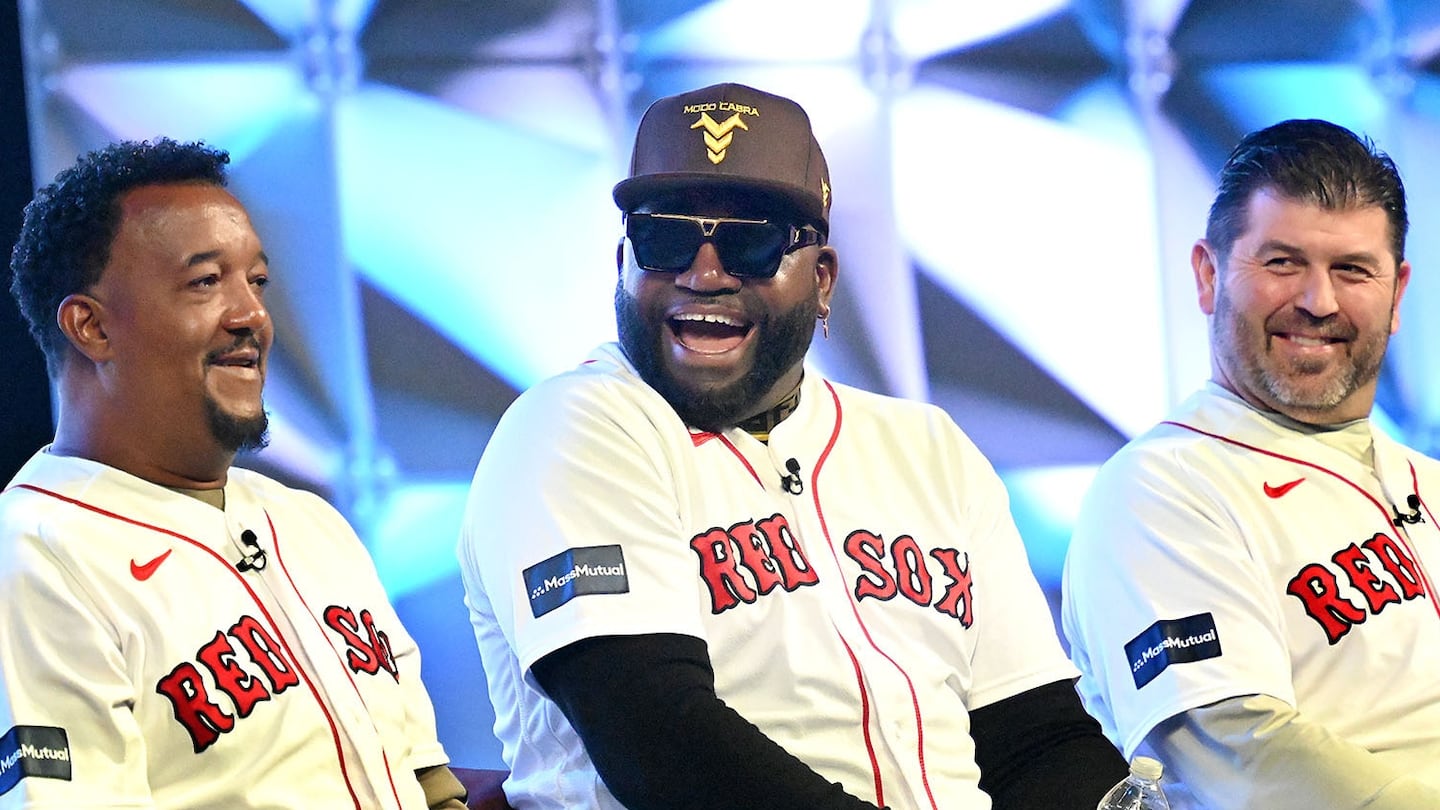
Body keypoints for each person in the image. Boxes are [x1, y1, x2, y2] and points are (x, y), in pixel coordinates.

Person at [457, 82, 1127, 810]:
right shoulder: (574, 428)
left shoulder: (925, 447)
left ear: (824, 279)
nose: (704, 273)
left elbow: (1036, 739)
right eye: (666, 237)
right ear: (622, 260)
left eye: (751, 242)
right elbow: (657, 739)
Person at [0, 138, 468, 809]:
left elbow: (428, 781)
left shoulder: (309, 524)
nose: (251, 315)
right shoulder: (35, 558)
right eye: (205, 282)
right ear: (90, 327)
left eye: (256, 282)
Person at [1061, 119, 1440, 809]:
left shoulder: (1429, 481)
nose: (1317, 302)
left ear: (1398, 294)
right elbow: (1237, 757)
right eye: (1282, 263)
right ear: (1209, 275)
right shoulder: (1161, 489)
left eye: (1352, 269)